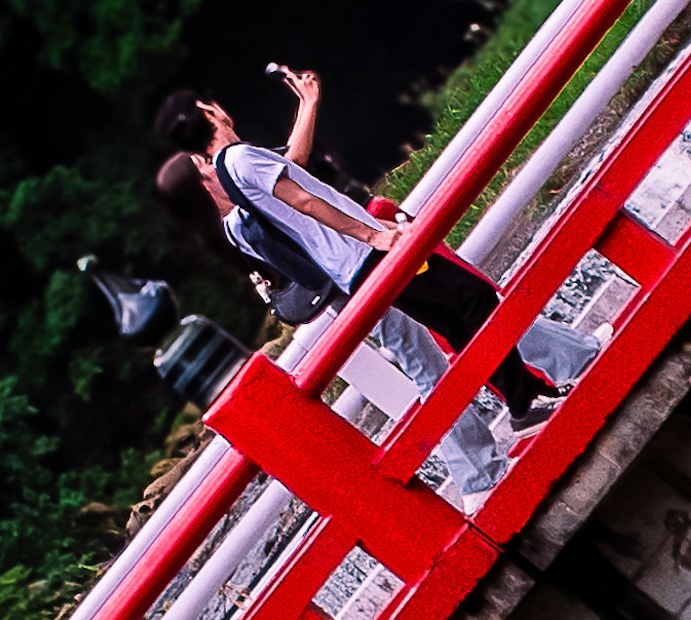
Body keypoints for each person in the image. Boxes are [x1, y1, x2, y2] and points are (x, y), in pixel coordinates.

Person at [150, 67, 568, 431]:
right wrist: (372, 235)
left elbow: (292, 166)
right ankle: (523, 401)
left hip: (352, 265)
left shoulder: (233, 167)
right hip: (365, 254)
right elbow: (304, 200)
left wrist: (308, 103)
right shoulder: (239, 159)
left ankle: (525, 400)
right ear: (209, 112)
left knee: (459, 323)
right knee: (474, 296)